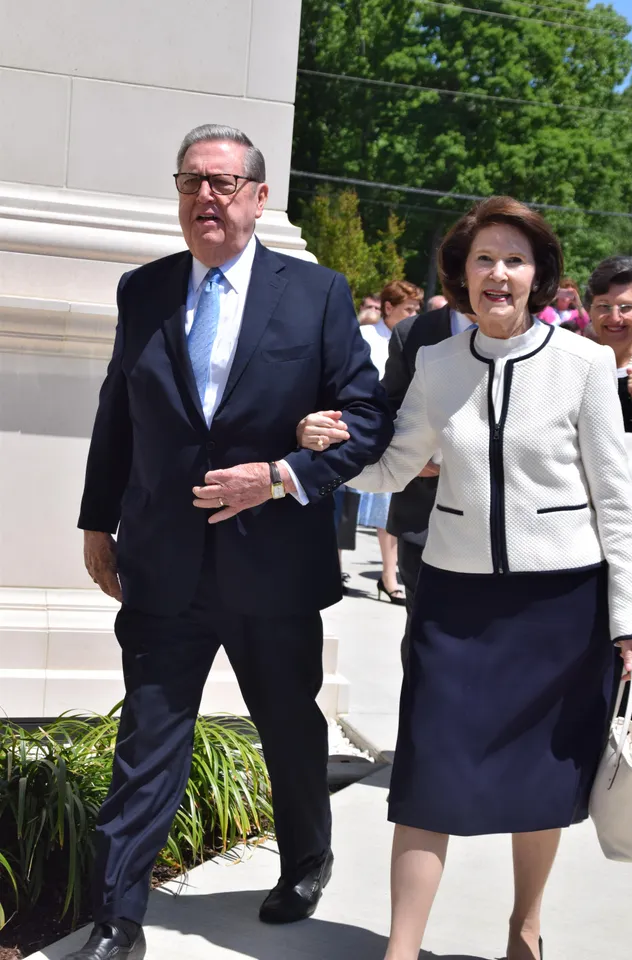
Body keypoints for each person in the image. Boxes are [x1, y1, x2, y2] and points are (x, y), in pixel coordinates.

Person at [71, 124, 393, 960]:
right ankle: (117, 919)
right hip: (163, 561)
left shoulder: (316, 293)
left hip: (273, 564)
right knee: (148, 742)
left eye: (223, 183)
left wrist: (282, 472)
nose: (205, 197)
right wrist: (96, 520)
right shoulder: (142, 291)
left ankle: (306, 863)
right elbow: (119, 412)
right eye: (190, 182)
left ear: (257, 197)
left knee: (288, 728)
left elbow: (365, 420)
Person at [312, 197, 632, 960]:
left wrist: (628, 621)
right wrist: (330, 447)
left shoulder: (585, 364)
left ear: (538, 276)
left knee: (543, 779)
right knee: (425, 770)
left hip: (560, 607)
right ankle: (401, 948)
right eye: (484, 259)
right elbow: (395, 467)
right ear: (460, 275)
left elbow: (618, 506)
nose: (500, 273)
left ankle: (525, 927)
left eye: (516, 260)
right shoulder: (435, 362)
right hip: (453, 603)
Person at [298, 298, 474, 663]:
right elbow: (387, 407)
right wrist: (410, 449)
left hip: (506, 529)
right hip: (423, 512)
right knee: (427, 647)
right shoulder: (416, 334)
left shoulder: (547, 342)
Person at [357, 280, 424, 603]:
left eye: (416, 309)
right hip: (372, 428)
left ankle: (388, 575)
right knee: (347, 513)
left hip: (401, 432)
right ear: (388, 307)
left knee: (388, 513)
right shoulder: (366, 337)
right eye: (408, 309)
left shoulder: (419, 340)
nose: (414, 314)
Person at [584, 256, 632, 432]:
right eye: (603, 306)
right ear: (589, 311)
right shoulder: (573, 362)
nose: (615, 318)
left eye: (626, 307)